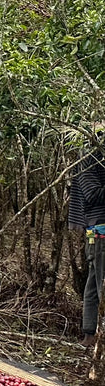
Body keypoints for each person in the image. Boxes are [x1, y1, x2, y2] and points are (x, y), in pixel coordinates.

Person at [70, 132, 105, 346]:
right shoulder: (88, 156)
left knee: (95, 280)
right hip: (100, 228)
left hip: (98, 229)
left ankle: (89, 335)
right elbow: (92, 195)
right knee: (101, 282)